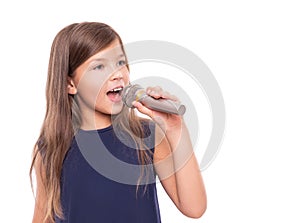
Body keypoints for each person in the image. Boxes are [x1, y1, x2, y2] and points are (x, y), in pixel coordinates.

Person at [30, 22, 206, 223]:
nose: (117, 74)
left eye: (120, 62)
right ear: (70, 83)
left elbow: (194, 207)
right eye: (99, 66)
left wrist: (176, 129)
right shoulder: (50, 149)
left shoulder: (146, 135)